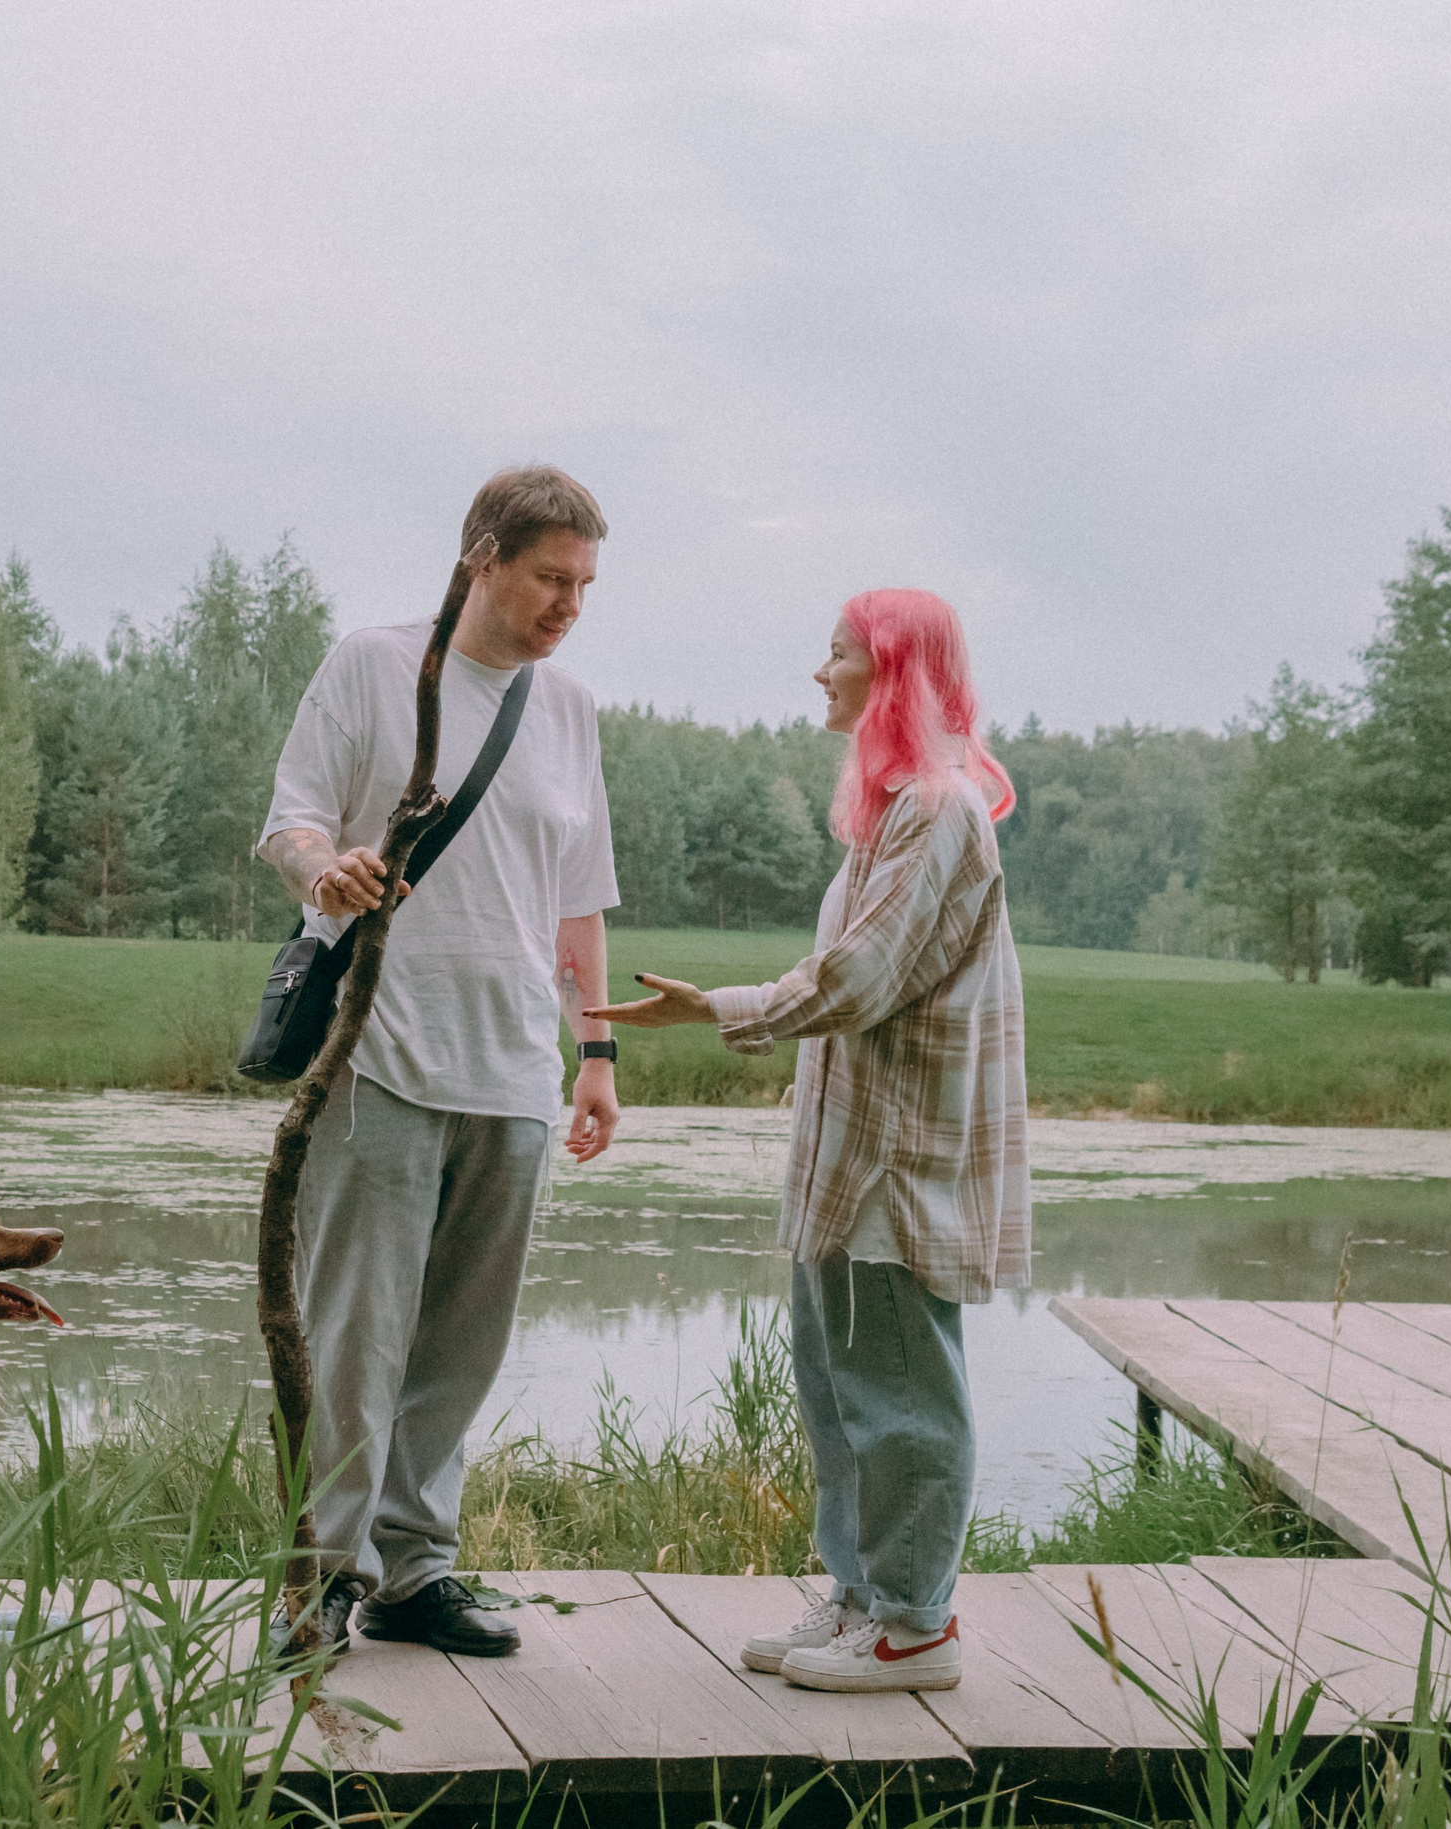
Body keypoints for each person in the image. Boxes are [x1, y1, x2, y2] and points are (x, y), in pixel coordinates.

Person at [588, 588, 1027, 1694]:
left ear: (890, 673)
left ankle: (917, 1623)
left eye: (836, 654)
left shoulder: (938, 810)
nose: (818, 672)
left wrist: (715, 1008)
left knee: (901, 1393)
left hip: (899, 1162)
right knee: (836, 1386)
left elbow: (861, 979)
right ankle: (863, 1597)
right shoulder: (889, 815)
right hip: (848, 1159)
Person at [256, 466, 622, 1659]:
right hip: (382, 1051)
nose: (568, 603)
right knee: (354, 1334)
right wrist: (329, 869)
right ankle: (319, 1580)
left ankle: (415, 1574)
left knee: (461, 1345)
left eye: (582, 584)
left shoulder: (565, 710)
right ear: (481, 556)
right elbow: (290, 818)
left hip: (512, 1068)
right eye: (547, 577)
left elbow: (578, 904)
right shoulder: (375, 664)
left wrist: (596, 1049)